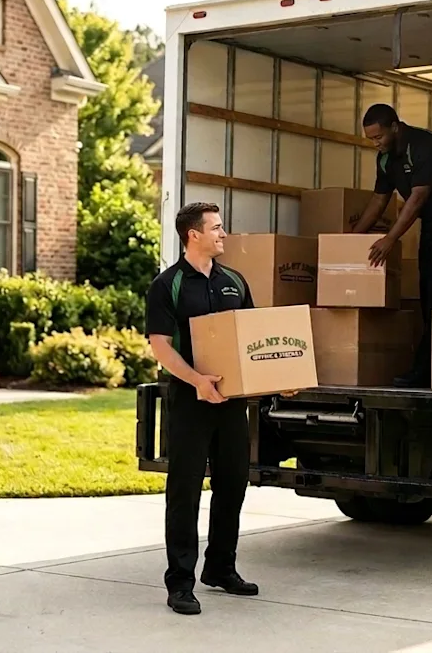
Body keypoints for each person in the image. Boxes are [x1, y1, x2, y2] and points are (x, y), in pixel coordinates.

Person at [145, 202, 259, 616]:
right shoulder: (168, 285)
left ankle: (221, 568)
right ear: (193, 234)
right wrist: (197, 381)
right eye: (216, 228)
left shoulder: (234, 281)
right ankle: (180, 583)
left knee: (233, 483)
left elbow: (251, 337)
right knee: (185, 491)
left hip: (231, 402)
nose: (223, 234)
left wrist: (279, 380)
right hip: (191, 401)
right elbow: (161, 347)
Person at [351, 103, 432, 388]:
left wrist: (390, 239)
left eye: (378, 137)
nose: (375, 144)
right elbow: (379, 200)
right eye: (370, 139)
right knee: (429, 291)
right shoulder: (385, 159)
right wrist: (350, 239)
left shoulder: (425, 144)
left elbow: (418, 197)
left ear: (395, 127)